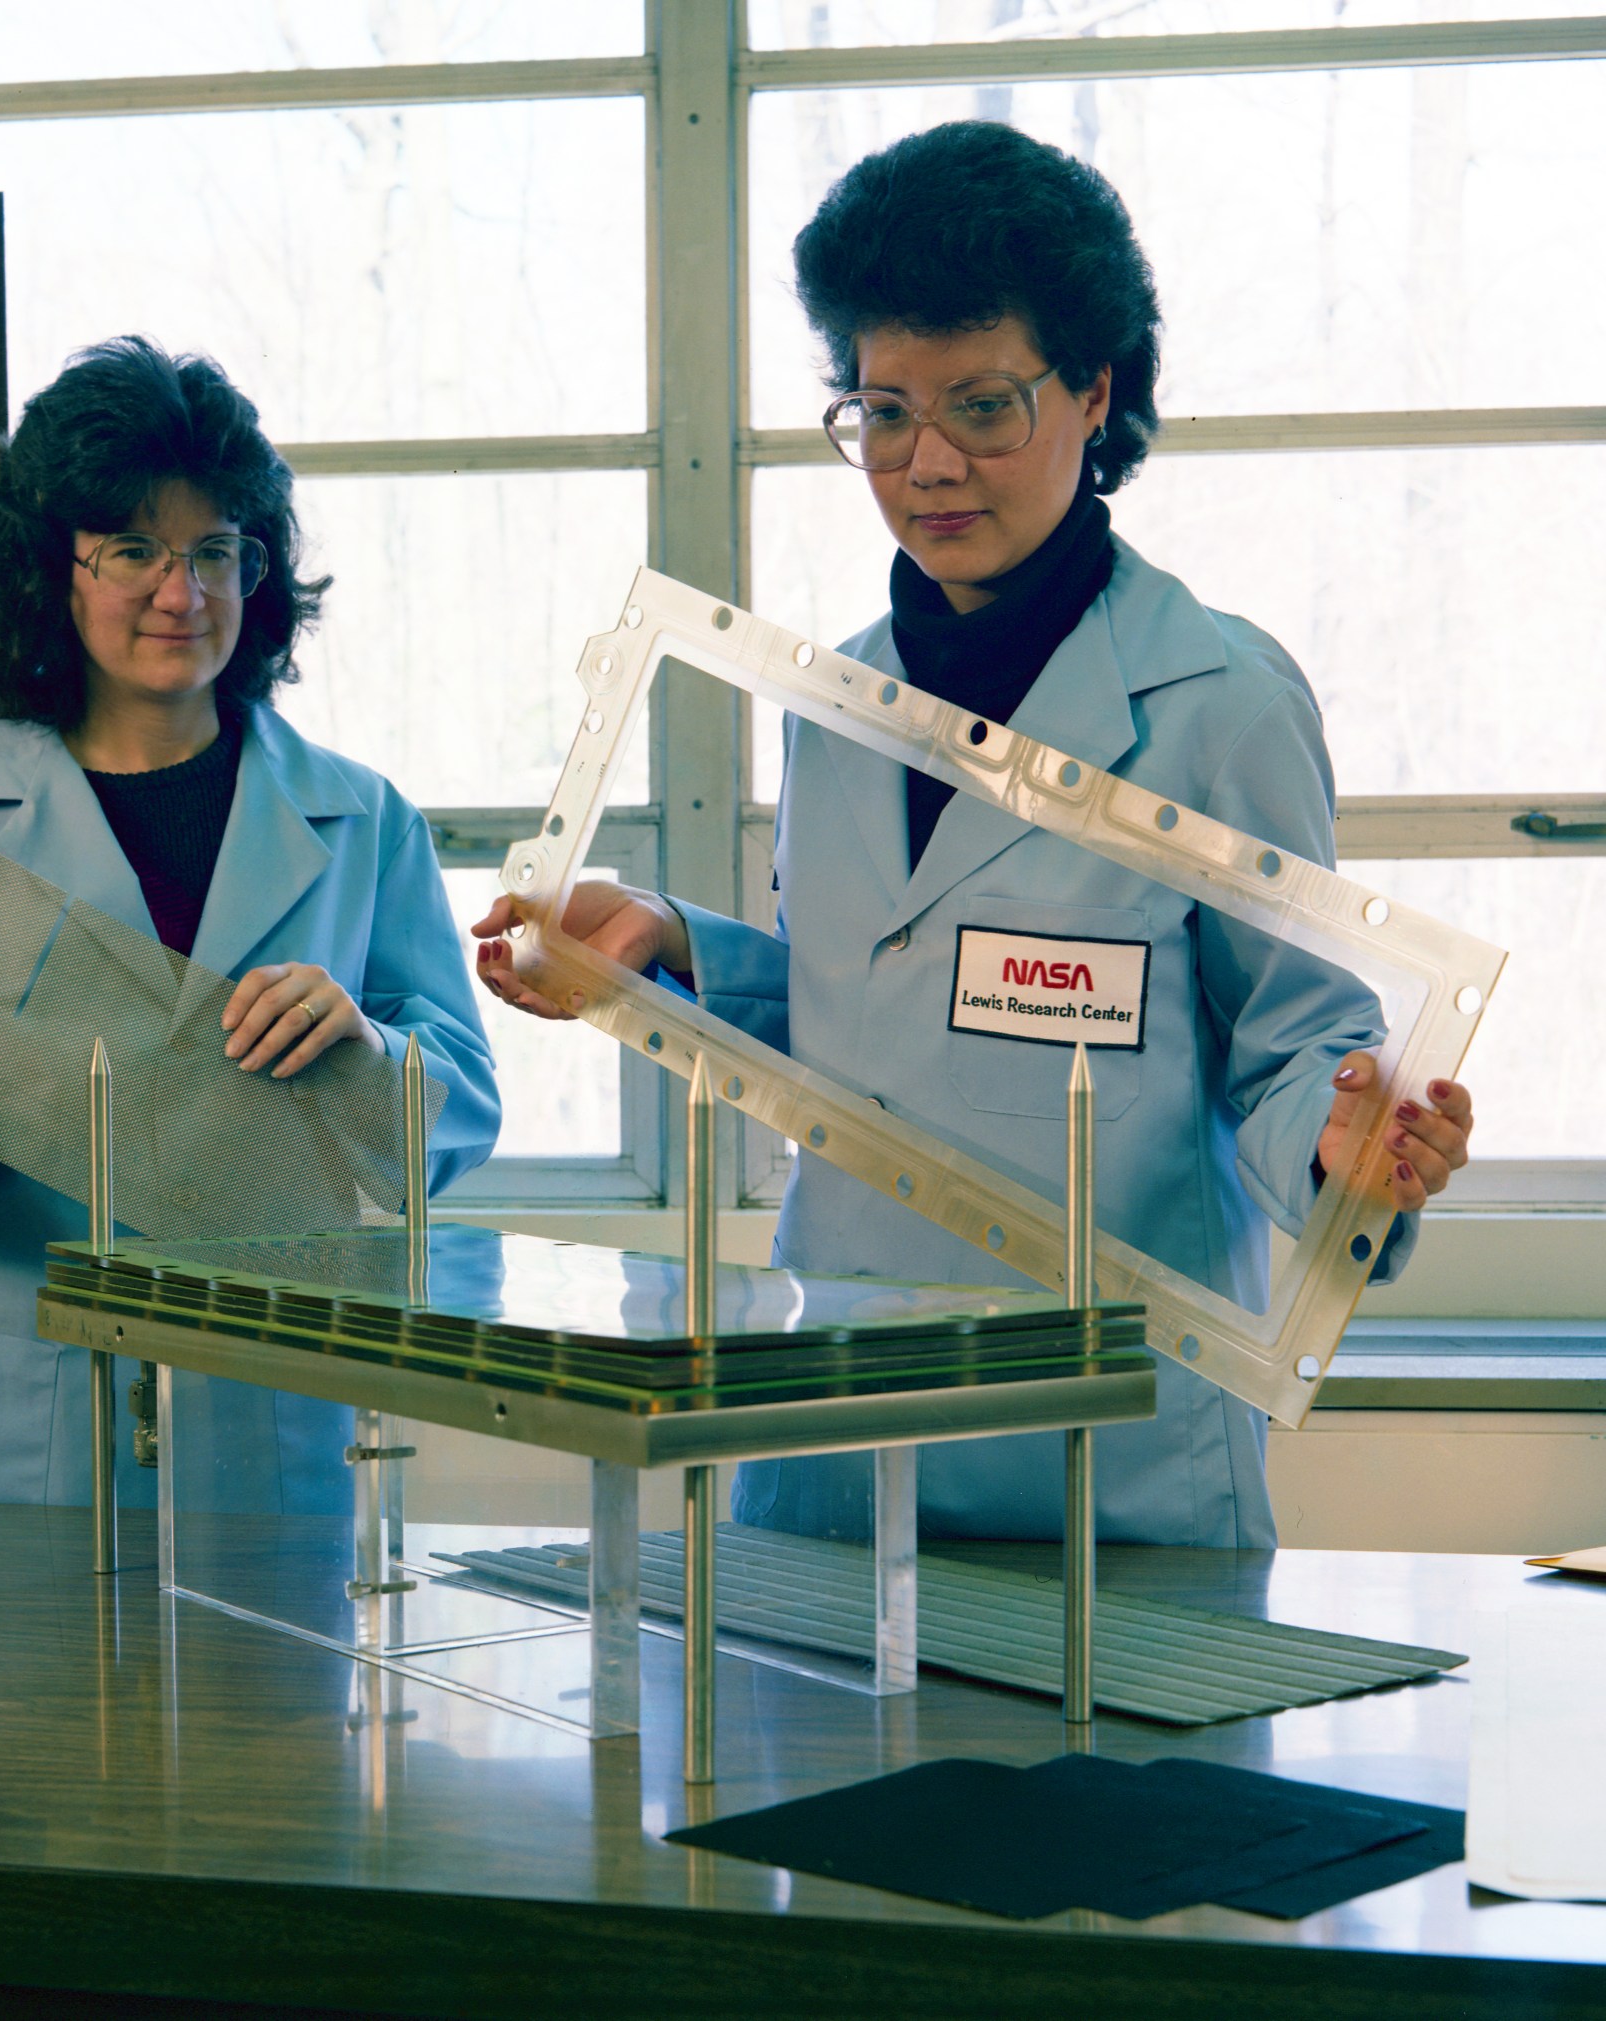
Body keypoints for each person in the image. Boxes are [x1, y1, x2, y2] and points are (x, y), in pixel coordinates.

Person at [474, 122, 1474, 1550]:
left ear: (1091, 393)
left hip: (1105, 1470)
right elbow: (889, 1007)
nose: (927, 462)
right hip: (827, 1442)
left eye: (983, 406)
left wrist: (1344, 1144)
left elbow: (1295, 1054)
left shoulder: (1218, 706)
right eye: (883, 411)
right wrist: (677, 952)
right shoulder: (834, 698)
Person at [0, 336, 500, 1507]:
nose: (179, 593)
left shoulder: (362, 817)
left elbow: (462, 1104)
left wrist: (370, 1051)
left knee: (265, 1695)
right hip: (2, 1410)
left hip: (267, 1413)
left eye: (215, 551)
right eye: (133, 550)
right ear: (52, 569)